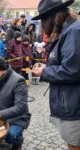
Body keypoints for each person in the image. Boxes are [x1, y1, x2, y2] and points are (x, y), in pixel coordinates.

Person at [32, 0, 80, 150]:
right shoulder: (68, 31)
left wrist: (45, 71)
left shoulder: (73, 31)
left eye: (43, 20)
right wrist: (48, 67)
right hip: (71, 102)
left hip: (74, 104)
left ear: (53, 17)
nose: (43, 26)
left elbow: (72, 71)